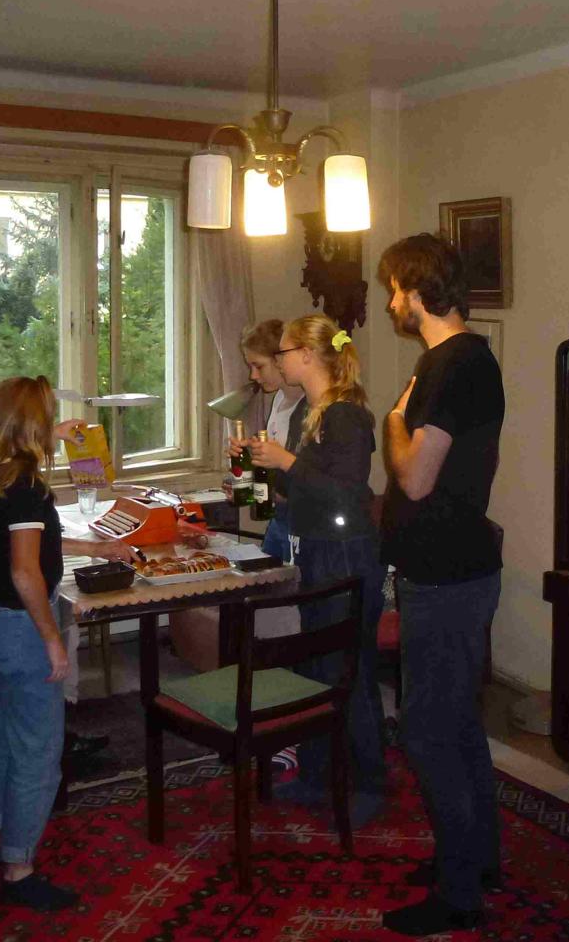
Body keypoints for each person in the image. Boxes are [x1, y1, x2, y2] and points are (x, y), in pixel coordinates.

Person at [376, 233, 505, 938]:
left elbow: (416, 477)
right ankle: (477, 861)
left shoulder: (455, 366)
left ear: (419, 290)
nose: (390, 302)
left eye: (396, 289)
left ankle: (459, 895)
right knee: (456, 725)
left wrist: (394, 423)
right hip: (449, 572)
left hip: (447, 579)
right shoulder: (454, 361)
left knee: (427, 733)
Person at [0, 375, 103, 912]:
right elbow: (25, 572)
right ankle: (19, 868)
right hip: (17, 628)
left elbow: (26, 544)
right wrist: (52, 640)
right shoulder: (27, 487)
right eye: (49, 416)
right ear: (32, 424)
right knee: (37, 752)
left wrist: (53, 435)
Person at [242, 314, 386, 827]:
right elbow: (301, 489)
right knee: (318, 669)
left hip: (346, 554)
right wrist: (260, 463)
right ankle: (318, 774)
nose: (278, 361)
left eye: (282, 352)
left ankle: (369, 783)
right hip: (317, 550)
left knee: (351, 671)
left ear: (306, 355)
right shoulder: (311, 409)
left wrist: (285, 461)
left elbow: (347, 494)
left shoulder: (347, 415)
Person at [237, 318, 304, 562]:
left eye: (259, 366)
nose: (253, 375)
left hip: (300, 520)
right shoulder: (279, 399)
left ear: (280, 360)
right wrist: (248, 455)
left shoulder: (309, 407)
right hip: (279, 516)